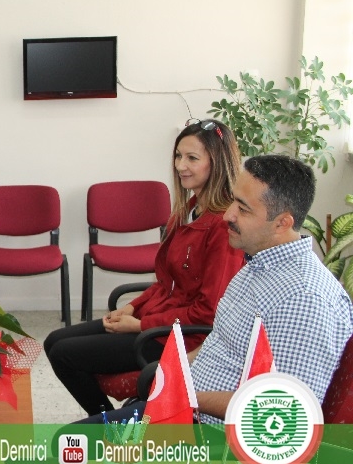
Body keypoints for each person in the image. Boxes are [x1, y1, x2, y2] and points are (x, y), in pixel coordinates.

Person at [78, 154, 353, 424]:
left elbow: (283, 408)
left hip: (209, 434)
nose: (227, 215)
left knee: (70, 444)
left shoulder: (305, 299)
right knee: (71, 441)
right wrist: (174, 369)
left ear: (282, 222)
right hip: (184, 404)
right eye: (234, 200)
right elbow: (222, 339)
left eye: (243, 209)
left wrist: (184, 397)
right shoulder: (258, 263)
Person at [45, 119, 246, 415]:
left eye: (192, 158)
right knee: (54, 340)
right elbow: (167, 284)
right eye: (178, 156)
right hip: (157, 319)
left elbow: (208, 312)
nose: (180, 166)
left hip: (180, 337)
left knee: (64, 354)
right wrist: (132, 307)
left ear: (217, 163)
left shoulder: (222, 226)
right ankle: (113, 419)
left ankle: (112, 424)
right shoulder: (188, 210)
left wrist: (140, 325)